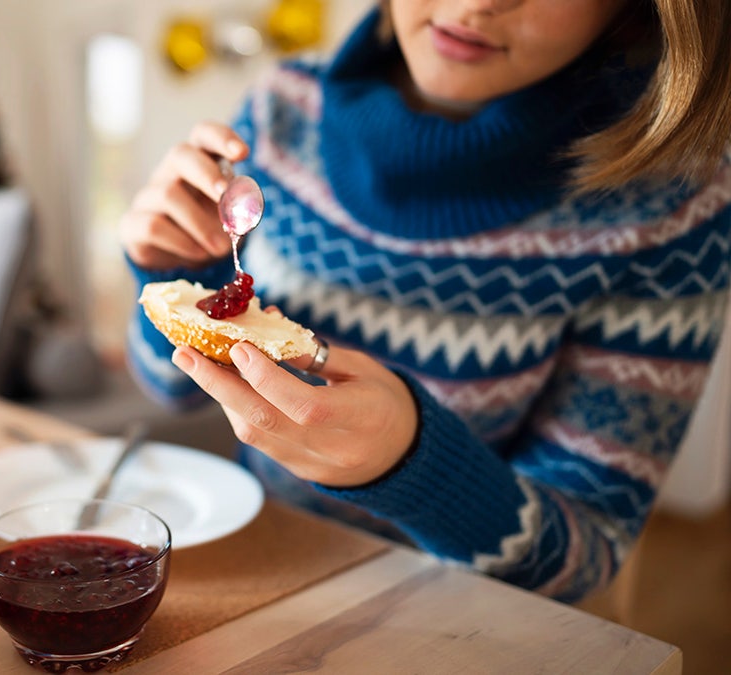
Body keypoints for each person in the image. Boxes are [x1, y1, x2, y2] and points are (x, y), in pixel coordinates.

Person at [120, 0, 731, 603]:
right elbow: (166, 387)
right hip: (262, 571)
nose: (477, 4)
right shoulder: (280, 110)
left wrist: (408, 464)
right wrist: (175, 275)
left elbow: (586, 553)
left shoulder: (674, 196)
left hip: (463, 621)